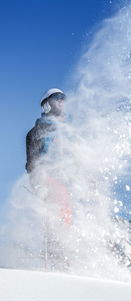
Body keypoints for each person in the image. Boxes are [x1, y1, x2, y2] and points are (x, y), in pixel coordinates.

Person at [26, 88, 72, 226]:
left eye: (63, 97)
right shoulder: (36, 132)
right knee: (58, 211)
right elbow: (32, 163)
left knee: (73, 213)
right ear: (46, 103)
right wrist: (37, 183)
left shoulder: (69, 131)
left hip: (69, 179)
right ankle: (57, 240)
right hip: (50, 178)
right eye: (57, 97)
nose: (61, 100)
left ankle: (71, 241)